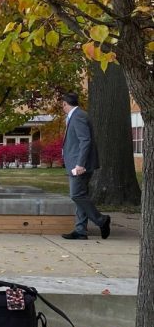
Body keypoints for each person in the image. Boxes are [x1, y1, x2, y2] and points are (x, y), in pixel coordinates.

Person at [60, 92, 111, 240]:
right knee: (81, 195)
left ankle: (101, 220)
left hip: (79, 165)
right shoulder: (75, 116)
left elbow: (85, 140)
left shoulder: (78, 116)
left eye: (62, 105)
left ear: (65, 104)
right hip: (76, 163)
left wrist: (80, 164)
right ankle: (80, 230)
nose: (62, 107)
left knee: (76, 194)